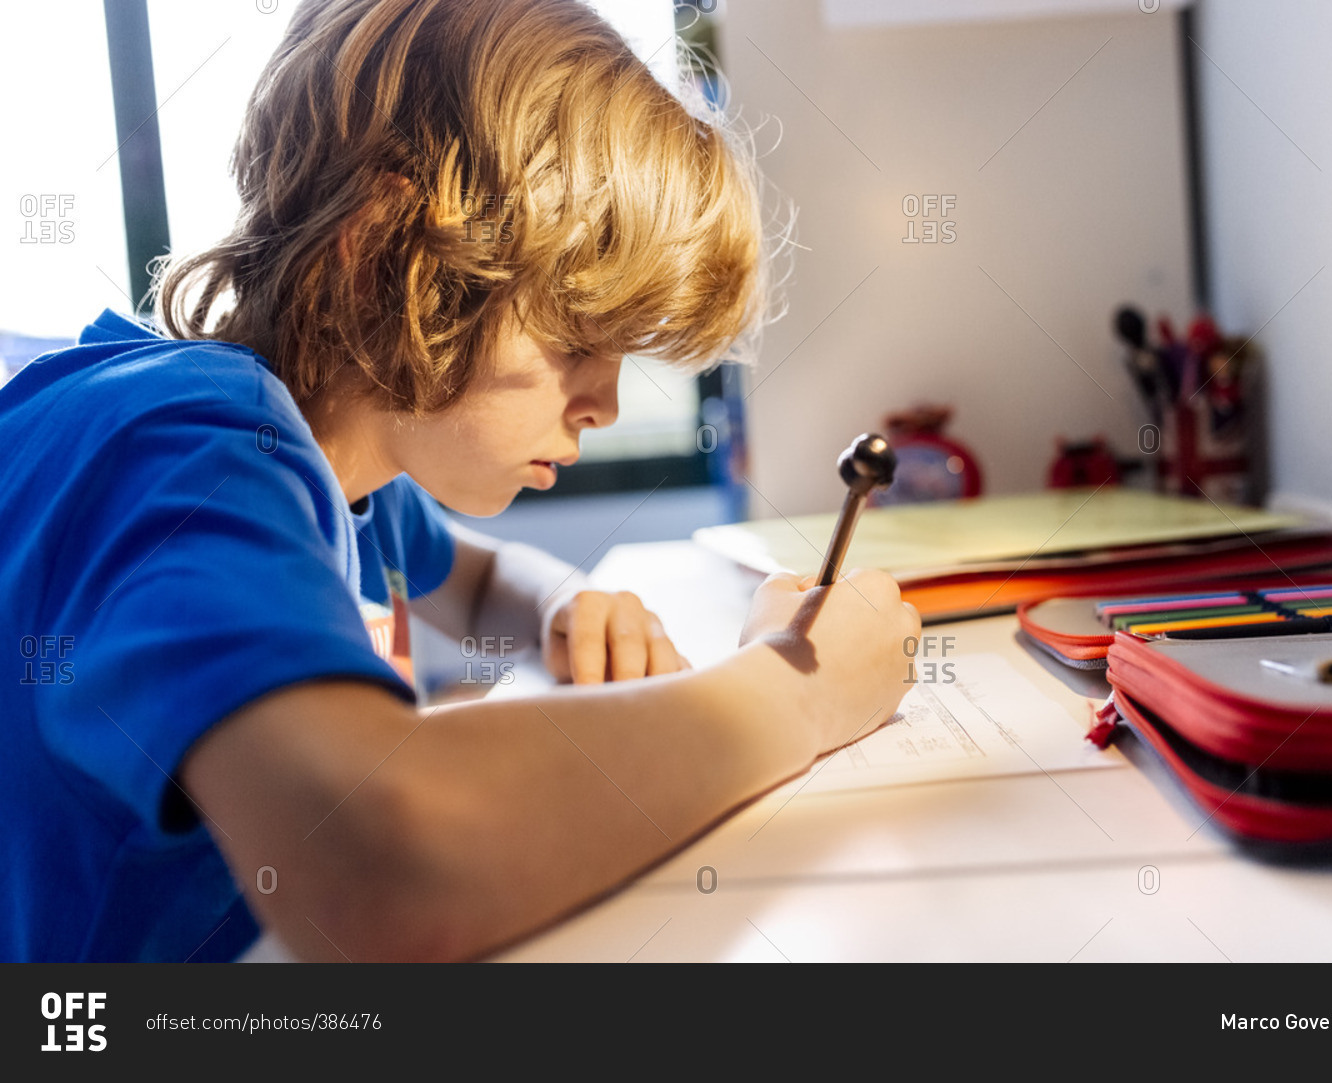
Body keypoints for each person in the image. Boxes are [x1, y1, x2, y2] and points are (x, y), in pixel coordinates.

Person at [0, 0, 917, 963]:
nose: (602, 406)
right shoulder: (188, 455)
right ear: (387, 251)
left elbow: (472, 581)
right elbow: (383, 862)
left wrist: (563, 603)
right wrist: (795, 694)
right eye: (576, 343)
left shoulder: (340, 466)